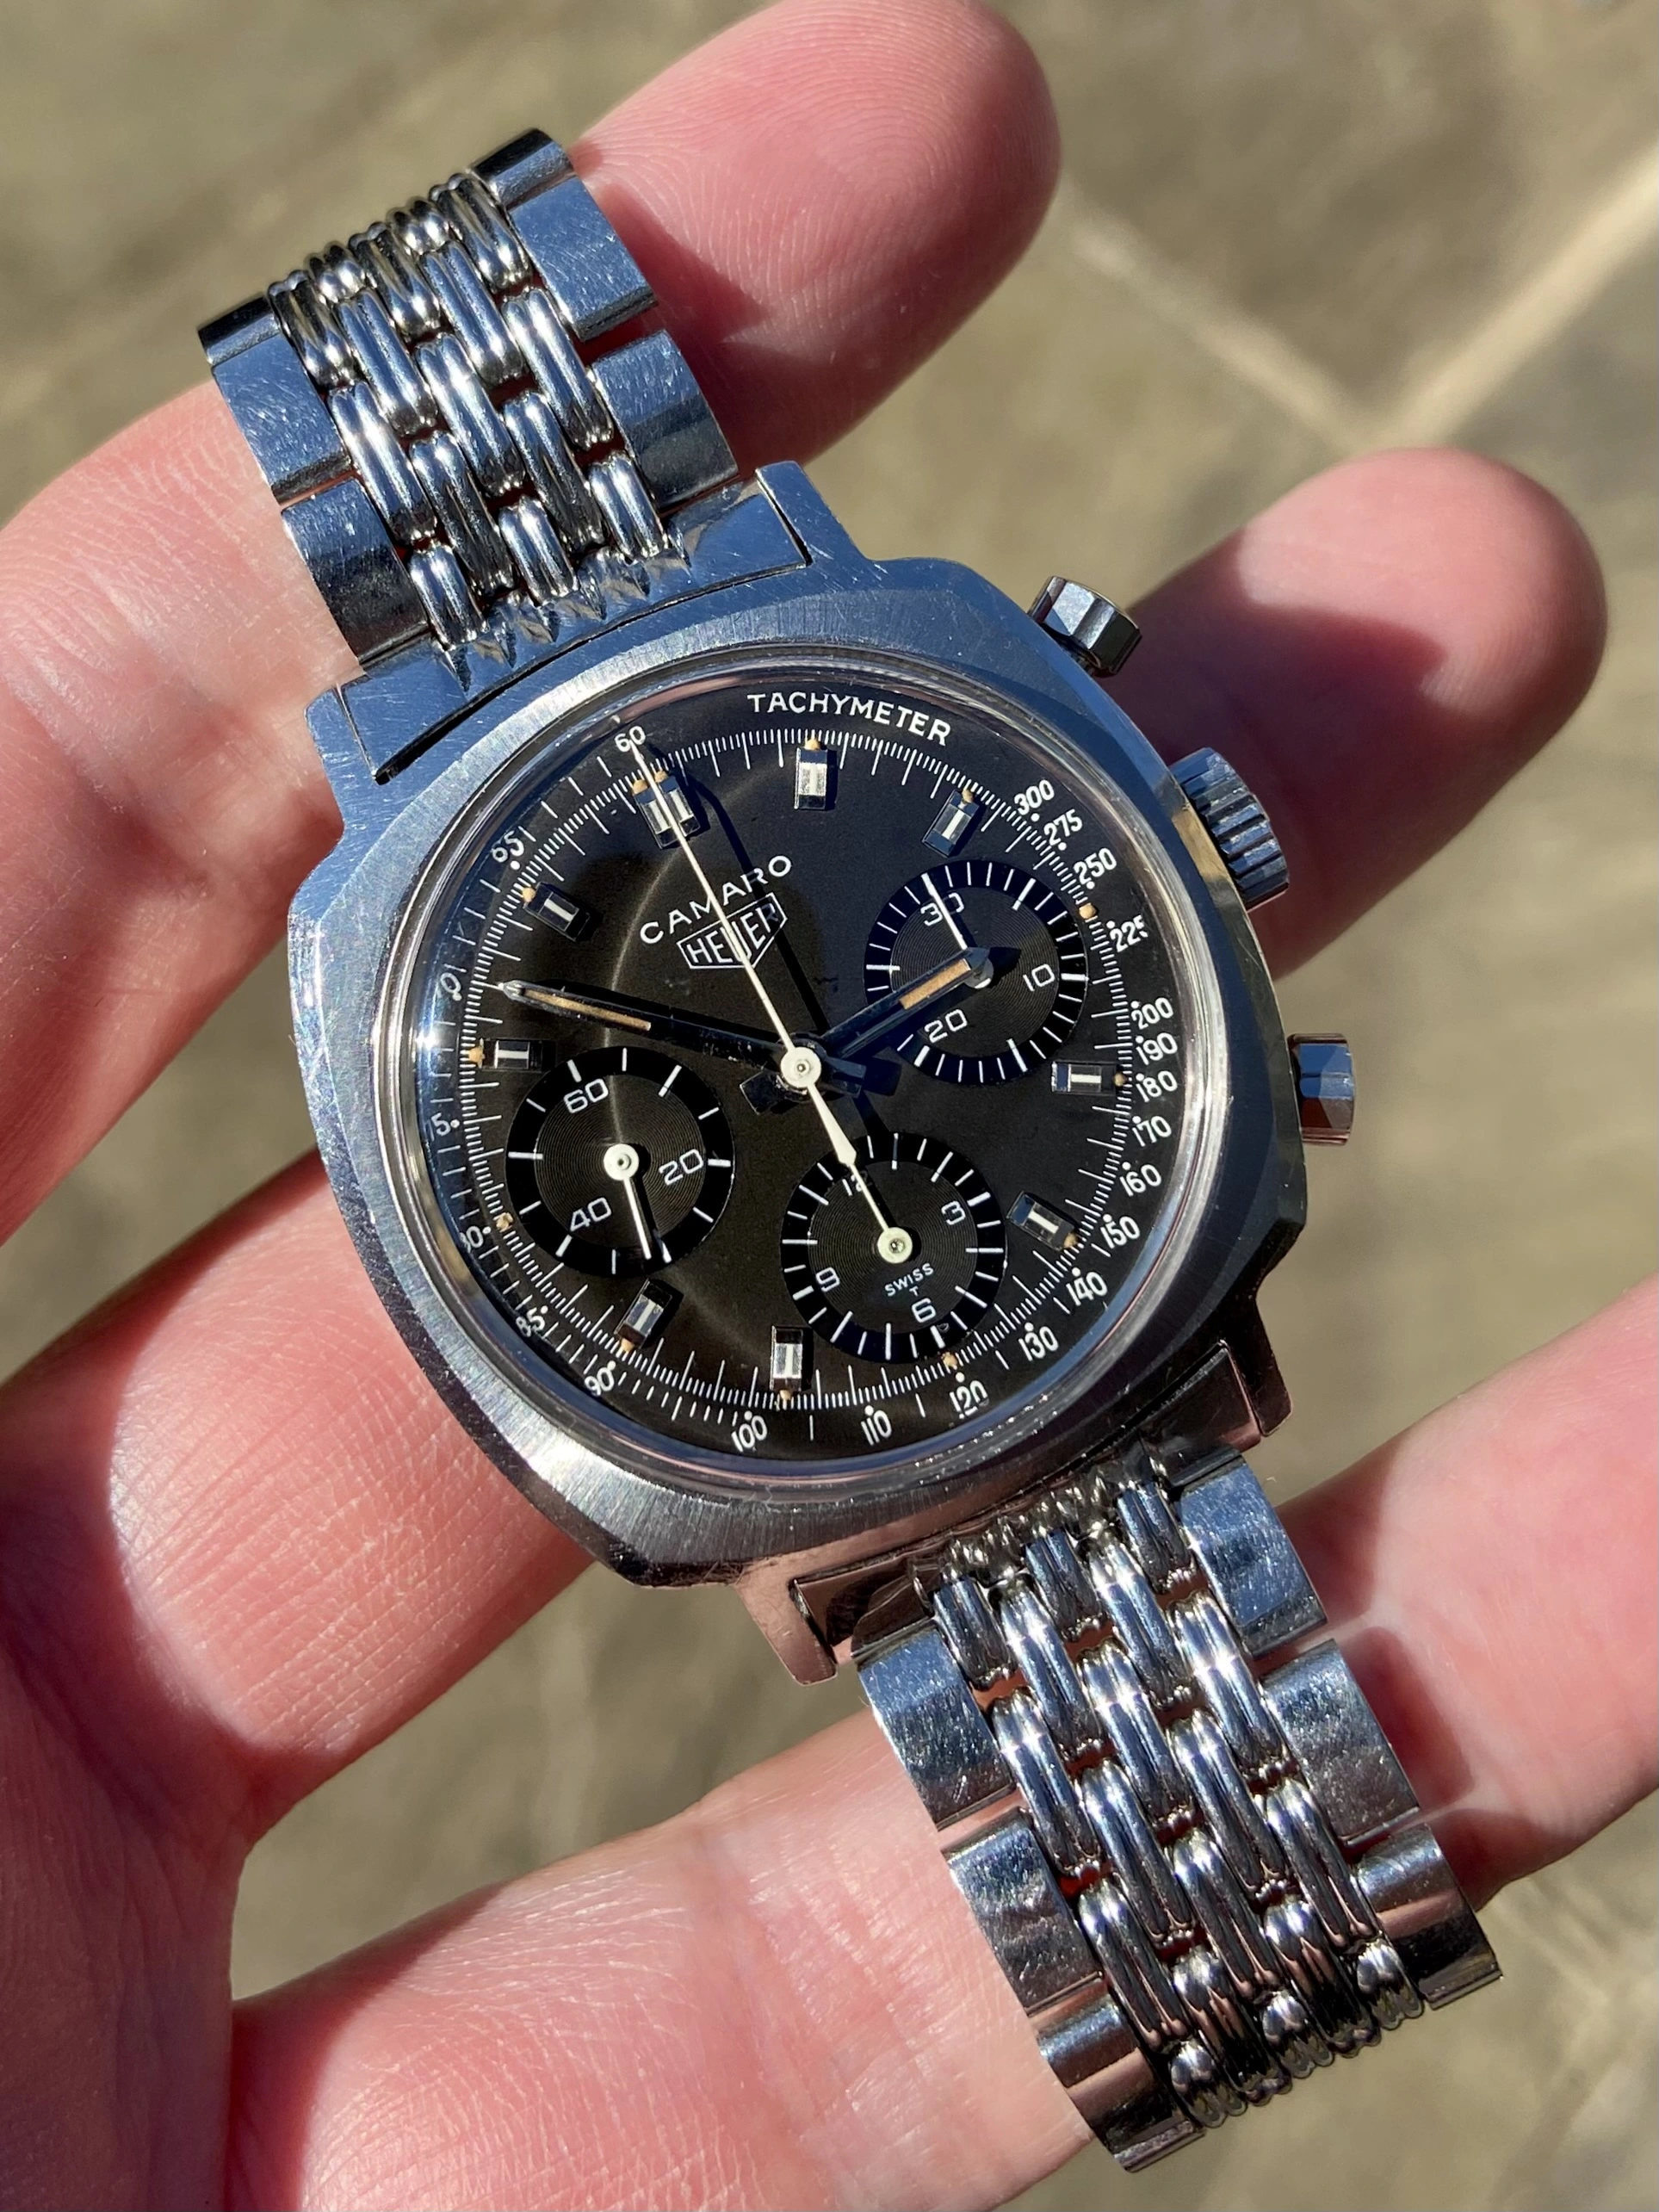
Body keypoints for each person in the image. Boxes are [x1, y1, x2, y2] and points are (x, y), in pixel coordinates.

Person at [0, 1, 1650, 2204]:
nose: (791, 1072)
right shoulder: (421, 1008)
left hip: (1022, 1314)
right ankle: (1239, 1939)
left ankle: (1244, 1936)